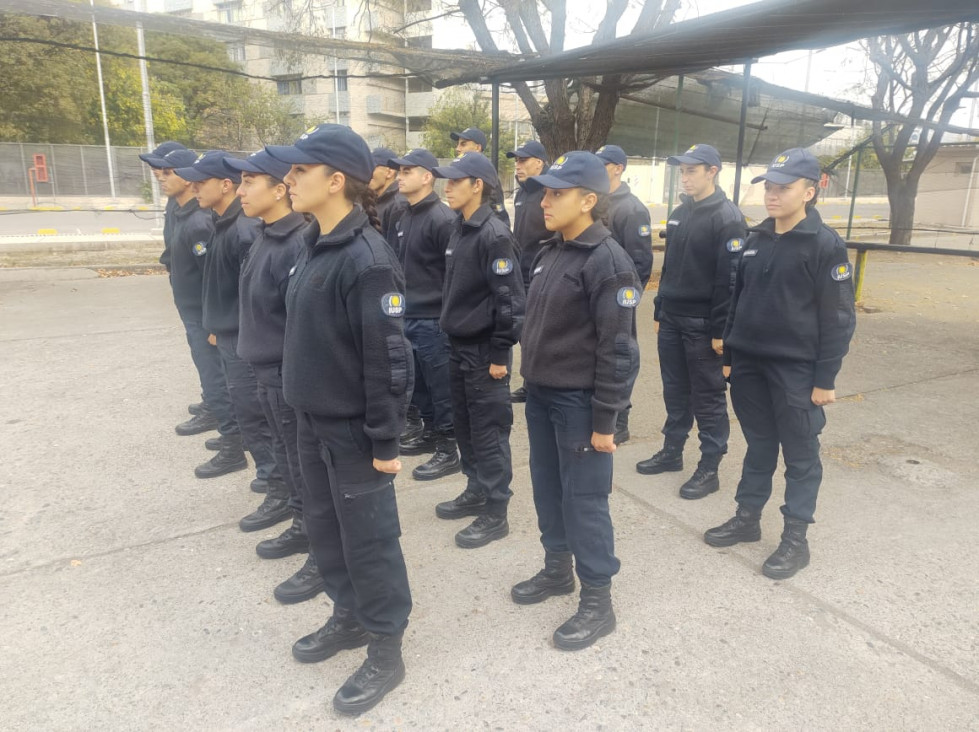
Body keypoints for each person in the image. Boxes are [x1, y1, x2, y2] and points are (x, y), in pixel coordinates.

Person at [266, 124, 413, 715]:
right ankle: (348, 615)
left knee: (370, 541)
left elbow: (388, 360)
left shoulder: (367, 258)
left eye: (299, 172)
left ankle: (386, 647)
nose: (288, 180)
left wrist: (385, 438)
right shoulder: (313, 242)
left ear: (335, 181)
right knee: (327, 532)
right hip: (311, 420)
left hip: (353, 430)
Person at [704, 148, 856, 580]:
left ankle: (795, 538)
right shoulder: (756, 239)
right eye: (769, 186)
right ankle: (747, 518)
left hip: (796, 371)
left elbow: (839, 318)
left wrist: (825, 377)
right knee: (759, 445)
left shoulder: (824, 246)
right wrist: (731, 355)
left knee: (801, 454)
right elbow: (738, 301)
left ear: (809, 191)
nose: (772, 195)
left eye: (783, 187)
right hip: (749, 365)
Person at [512, 151, 639, 651]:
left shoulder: (608, 262)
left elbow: (618, 350)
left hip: (580, 404)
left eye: (557, 193)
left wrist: (607, 420)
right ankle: (556, 569)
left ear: (589, 200)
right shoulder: (552, 251)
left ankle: (597, 602)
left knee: (584, 501)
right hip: (543, 396)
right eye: (545, 191)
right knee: (547, 489)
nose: (546, 201)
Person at [224, 150, 325, 605]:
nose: (240, 191)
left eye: (249, 182)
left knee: (306, 468)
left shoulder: (296, 244)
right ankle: (301, 524)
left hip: (288, 376)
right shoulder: (265, 237)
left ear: (279, 190)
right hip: (264, 370)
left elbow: (301, 325)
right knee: (287, 459)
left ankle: (320, 550)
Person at [637, 144, 747, 500]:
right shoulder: (680, 212)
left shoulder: (727, 217)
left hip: (703, 323)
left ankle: (710, 466)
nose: (684, 178)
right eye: (682, 171)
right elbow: (669, 268)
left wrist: (720, 330)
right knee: (675, 390)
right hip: (672, 317)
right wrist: (659, 309)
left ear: (712, 171)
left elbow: (729, 279)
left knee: (708, 397)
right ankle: (672, 453)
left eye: (692, 171)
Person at [173, 152, 281, 500]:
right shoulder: (222, 221)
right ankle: (271, 476)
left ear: (224, 185)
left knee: (256, 413)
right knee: (248, 409)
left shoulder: (244, 229)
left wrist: (235, 329)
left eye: (201, 181)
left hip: (244, 338)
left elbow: (253, 293)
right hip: (229, 332)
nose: (194, 187)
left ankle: (274, 480)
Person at [431, 152, 525, 548]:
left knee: (488, 432)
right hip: (458, 345)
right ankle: (476, 488)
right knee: (466, 428)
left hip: (485, 351)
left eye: (455, 181)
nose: (446, 187)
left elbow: (509, 301)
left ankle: (496, 509)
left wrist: (500, 353)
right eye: (446, 181)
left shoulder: (494, 234)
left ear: (477, 186)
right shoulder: (460, 227)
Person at [383, 148, 461, 480]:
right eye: (398, 171)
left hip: (433, 320)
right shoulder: (402, 213)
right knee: (419, 387)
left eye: (407, 171)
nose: (399, 176)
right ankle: (430, 433)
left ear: (427, 176)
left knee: (441, 388)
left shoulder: (443, 219)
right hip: (407, 316)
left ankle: (448, 447)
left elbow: (454, 274)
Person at [156, 148, 237, 443]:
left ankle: (231, 437)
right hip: (193, 310)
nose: (162, 179)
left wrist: (213, 321)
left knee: (215, 372)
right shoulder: (182, 213)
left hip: (203, 313)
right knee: (210, 370)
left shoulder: (199, 221)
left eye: (169, 173)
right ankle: (224, 419)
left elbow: (212, 277)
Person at [595, 144, 654, 444]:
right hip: (597, 295)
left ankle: (621, 419)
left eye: (604, 164)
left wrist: (628, 299)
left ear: (618, 167)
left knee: (621, 355)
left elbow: (641, 261)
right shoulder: (597, 201)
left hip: (619, 298)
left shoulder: (631, 208)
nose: (599, 169)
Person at [505, 140, 549, 405]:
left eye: (523, 160)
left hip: (541, 273)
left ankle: (541, 382)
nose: (517, 165)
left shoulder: (549, 190)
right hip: (520, 273)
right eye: (516, 160)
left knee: (541, 332)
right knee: (525, 332)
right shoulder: (522, 193)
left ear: (539, 163)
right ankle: (530, 382)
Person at [451, 126, 510, 227]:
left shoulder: (487, 175)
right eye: (458, 144)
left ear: (478, 148)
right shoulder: (462, 172)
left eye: (463, 144)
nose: (458, 148)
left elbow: (499, 218)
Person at [369, 146, 405, 241]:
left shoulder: (398, 206)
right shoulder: (372, 198)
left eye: (372, 167)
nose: (367, 171)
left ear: (389, 172)